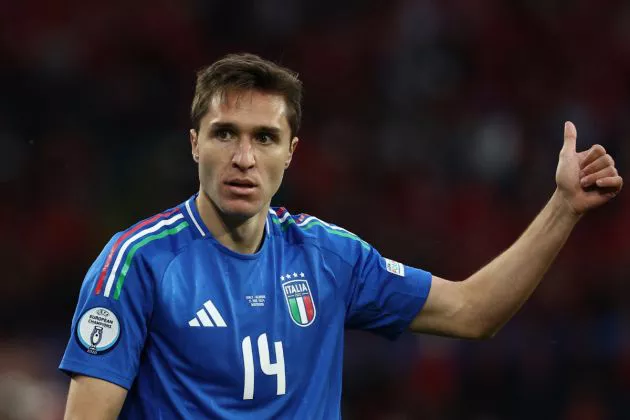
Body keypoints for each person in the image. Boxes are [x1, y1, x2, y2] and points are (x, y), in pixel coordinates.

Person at [60, 53, 623, 419]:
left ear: (291, 153)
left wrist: (564, 208)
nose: (243, 158)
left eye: (265, 137)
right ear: (193, 144)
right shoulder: (137, 264)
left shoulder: (327, 256)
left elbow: (473, 311)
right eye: (224, 134)